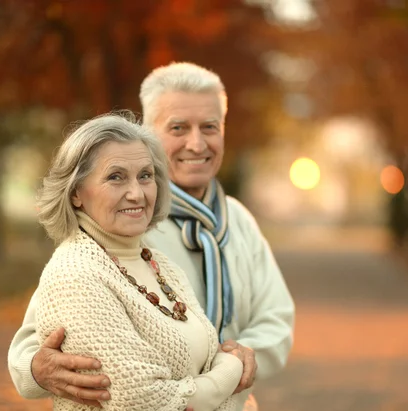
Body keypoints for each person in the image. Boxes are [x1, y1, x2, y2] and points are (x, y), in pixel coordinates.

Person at [8, 63, 295, 410]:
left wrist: (239, 362)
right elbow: (41, 333)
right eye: (178, 127)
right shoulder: (118, 226)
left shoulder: (238, 220)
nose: (196, 143)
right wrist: (35, 369)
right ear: (148, 131)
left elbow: (275, 317)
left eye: (210, 127)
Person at [28, 111, 247, 410]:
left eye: (145, 176)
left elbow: (205, 360)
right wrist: (230, 372)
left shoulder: (159, 264)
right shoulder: (76, 273)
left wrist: (216, 374)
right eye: (115, 177)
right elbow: (142, 401)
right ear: (77, 192)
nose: (136, 193)